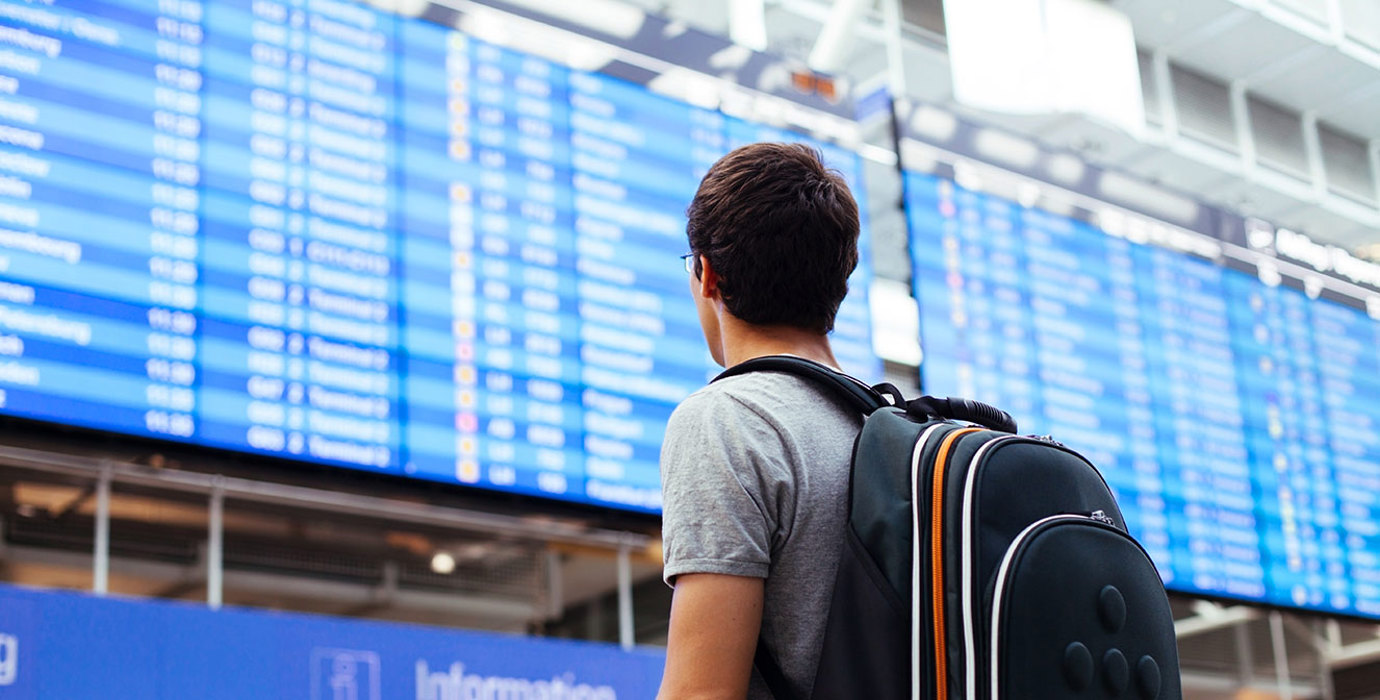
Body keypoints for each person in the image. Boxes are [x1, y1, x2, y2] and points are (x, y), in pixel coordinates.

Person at [657, 142, 863, 699]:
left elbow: (702, 693)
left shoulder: (727, 421)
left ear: (708, 276)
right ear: (838, 282)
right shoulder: (894, 429)